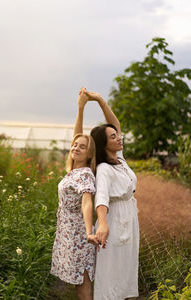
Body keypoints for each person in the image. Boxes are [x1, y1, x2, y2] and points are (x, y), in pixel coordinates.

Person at [77, 90, 139, 300]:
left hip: (129, 216)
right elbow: (101, 198)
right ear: (104, 145)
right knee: (113, 271)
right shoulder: (104, 168)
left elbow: (116, 124)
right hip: (115, 218)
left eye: (117, 135)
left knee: (126, 268)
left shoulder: (119, 160)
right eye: (113, 137)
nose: (118, 137)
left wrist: (101, 101)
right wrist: (102, 223)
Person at [50, 90, 98, 300]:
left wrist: (89, 231)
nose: (76, 148)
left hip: (79, 234)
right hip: (68, 232)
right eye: (74, 146)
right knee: (78, 281)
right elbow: (78, 136)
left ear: (89, 154)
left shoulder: (85, 174)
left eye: (82, 147)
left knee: (83, 282)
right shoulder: (74, 169)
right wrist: (80, 107)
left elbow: (87, 202)